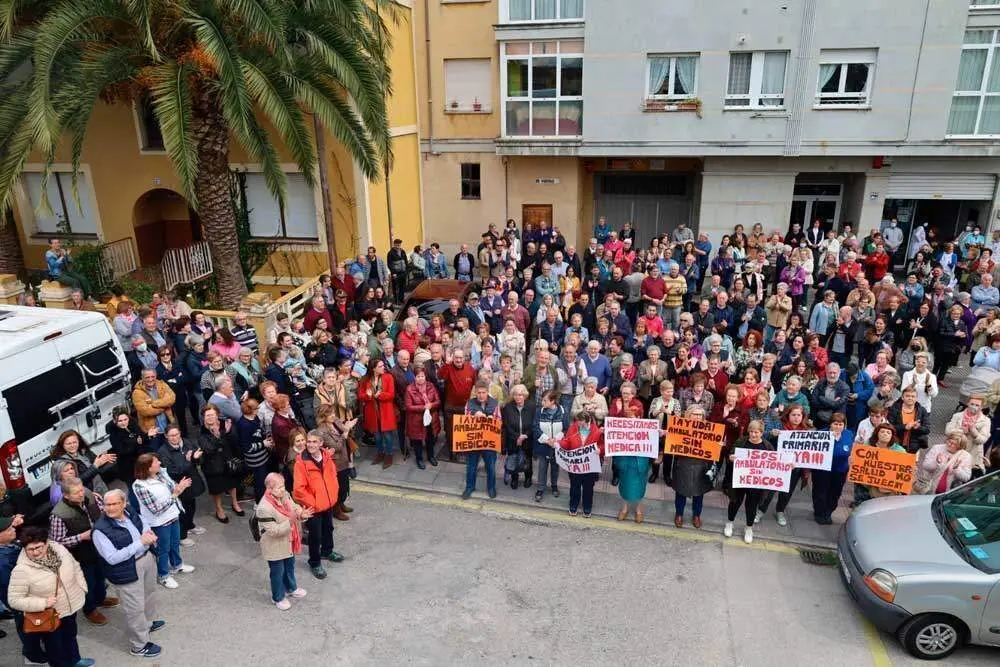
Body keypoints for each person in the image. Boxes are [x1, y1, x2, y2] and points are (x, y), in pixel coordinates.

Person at [8, 524, 95, 667]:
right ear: (24, 548)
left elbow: (75, 566)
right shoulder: (21, 570)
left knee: (71, 637)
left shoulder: (59, 549)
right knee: (55, 648)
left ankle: (75, 660)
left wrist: (82, 587)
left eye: (39, 547)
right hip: (49, 614)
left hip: (70, 606)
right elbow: (14, 600)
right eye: (31, 549)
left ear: (46, 543)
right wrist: (43, 603)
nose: (36, 552)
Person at [48, 478, 118, 626]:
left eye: (81, 489)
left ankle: (101, 598)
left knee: (100, 576)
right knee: (87, 583)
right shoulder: (59, 514)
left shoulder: (88, 496)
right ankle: (90, 609)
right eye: (76, 492)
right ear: (66, 495)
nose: (81, 494)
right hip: (80, 555)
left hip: (98, 548)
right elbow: (57, 541)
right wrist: (81, 537)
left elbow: (100, 510)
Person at [132, 453, 195, 589]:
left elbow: (173, 488)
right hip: (159, 522)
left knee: (175, 543)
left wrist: (180, 487)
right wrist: (175, 494)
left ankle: (177, 564)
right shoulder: (139, 486)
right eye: (156, 462)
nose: (160, 463)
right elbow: (156, 509)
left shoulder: (160, 475)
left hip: (173, 515)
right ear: (148, 468)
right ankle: (163, 575)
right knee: (163, 549)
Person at [293, 431, 344, 579]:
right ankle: (314, 562)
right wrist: (314, 503)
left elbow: (333, 475)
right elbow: (298, 490)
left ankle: (327, 551)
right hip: (313, 506)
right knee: (315, 536)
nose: (310, 445)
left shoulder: (326, 456)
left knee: (328, 528)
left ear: (321, 443)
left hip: (327, 502)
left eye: (314, 442)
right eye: (309, 442)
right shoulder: (301, 462)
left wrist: (332, 495)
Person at [255, 472, 310, 609]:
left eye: (283, 486)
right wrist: (291, 521)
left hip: (288, 540)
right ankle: (278, 597)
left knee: (289, 567)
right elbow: (273, 531)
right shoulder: (264, 508)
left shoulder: (283, 495)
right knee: (277, 572)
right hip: (274, 545)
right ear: (269, 488)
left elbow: (293, 506)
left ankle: (291, 588)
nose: (283, 489)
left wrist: (300, 513)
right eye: (279, 487)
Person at [756, 404, 811, 526]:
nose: (796, 418)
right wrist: (772, 434)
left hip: (795, 468)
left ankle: (780, 511)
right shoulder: (780, 426)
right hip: (778, 465)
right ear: (788, 415)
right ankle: (760, 510)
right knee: (770, 490)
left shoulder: (806, 432)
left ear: (802, 417)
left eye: (799, 415)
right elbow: (765, 438)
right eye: (793, 415)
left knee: (787, 492)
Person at [723, 419, 771, 544]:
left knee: (751, 506)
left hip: (756, 483)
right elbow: (730, 455)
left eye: (757, 432)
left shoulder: (767, 446)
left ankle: (749, 528)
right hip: (739, 480)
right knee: (734, 502)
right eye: (751, 432)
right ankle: (730, 523)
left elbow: (774, 464)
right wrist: (731, 457)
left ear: (762, 433)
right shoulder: (741, 442)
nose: (754, 435)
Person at [157, 425, 206, 546]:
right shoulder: (163, 452)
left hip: (191, 480)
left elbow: (198, 458)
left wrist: (195, 458)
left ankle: (190, 525)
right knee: (182, 510)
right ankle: (182, 536)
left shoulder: (187, 443)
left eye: (177, 434)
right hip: (178, 485)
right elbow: (172, 471)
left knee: (191, 506)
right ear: (166, 436)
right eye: (171, 436)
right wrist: (188, 461)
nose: (175, 438)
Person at [610, 382, 650, 522]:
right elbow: (612, 419)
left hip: (636, 445)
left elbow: (636, 418)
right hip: (622, 446)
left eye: (628, 393)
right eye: (623, 393)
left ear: (633, 394)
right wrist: (620, 410)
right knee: (624, 478)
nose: (625, 396)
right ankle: (625, 508)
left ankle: (639, 509)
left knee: (639, 478)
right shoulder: (616, 402)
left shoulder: (638, 404)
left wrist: (624, 411)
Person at [198, 403, 244, 523]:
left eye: (212, 415)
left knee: (232, 484)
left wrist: (228, 433)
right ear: (203, 417)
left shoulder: (226, 424)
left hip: (228, 460)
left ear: (217, 415)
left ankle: (235, 503)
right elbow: (209, 449)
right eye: (207, 415)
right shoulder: (202, 431)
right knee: (216, 489)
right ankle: (219, 509)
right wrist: (221, 436)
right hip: (212, 465)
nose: (210, 418)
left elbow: (234, 440)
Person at [673, 405, 714, 528]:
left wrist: (718, 445)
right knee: (680, 492)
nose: (697, 417)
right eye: (695, 414)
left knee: (698, 493)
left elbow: (713, 450)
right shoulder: (680, 427)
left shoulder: (709, 430)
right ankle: (679, 514)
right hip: (683, 464)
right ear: (688, 415)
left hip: (700, 466)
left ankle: (697, 515)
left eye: (700, 415)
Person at [557, 411, 603, 517]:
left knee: (588, 487)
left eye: (581, 421)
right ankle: (573, 504)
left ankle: (587, 506)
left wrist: (600, 450)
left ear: (588, 421)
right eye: (577, 421)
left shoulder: (596, 431)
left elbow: (602, 445)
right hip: (576, 465)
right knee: (574, 486)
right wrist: (558, 444)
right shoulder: (573, 428)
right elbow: (567, 442)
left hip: (590, 465)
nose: (578, 424)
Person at [811, 412, 854, 525]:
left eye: (841, 424)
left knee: (835, 493)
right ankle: (819, 513)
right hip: (822, 470)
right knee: (820, 492)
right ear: (830, 424)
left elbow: (852, 449)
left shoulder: (849, 434)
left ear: (844, 425)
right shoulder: (821, 434)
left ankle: (828, 512)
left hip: (840, 470)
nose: (838, 427)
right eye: (835, 424)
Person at [461, 382, 502, 499]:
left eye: (483, 392)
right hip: (474, 441)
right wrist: (474, 416)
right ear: (475, 392)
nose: (481, 395)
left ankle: (491, 488)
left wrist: (492, 419)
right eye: (478, 393)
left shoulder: (494, 403)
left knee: (491, 467)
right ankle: (469, 487)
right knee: (471, 466)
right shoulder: (469, 403)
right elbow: (464, 421)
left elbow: (500, 421)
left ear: (487, 392)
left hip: (489, 442)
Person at [359, 358, 399, 469]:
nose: (383, 368)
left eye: (383, 365)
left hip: (386, 411)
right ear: (373, 369)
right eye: (380, 366)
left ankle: (389, 455)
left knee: (388, 436)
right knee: (377, 436)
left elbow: (391, 394)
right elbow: (360, 396)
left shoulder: (388, 377)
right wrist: (368, 395)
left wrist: (379, 395)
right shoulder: (365, 379)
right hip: (372, 412)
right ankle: (380, 453)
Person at [50, 429, 112, 497]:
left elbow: (98, 466)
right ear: (63, 445)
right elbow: (76, 481)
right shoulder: (63, 462)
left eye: (75, 442)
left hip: (101, 487)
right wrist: (95, 466)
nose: (72, 445)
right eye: (69, 444)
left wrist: (103, 459)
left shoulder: (84, 451)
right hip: (87, 493)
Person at [944, 395, 990, 477]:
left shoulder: (986, 421)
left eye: (977, 405)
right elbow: (948, 431)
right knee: (949, 476)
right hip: (955, 451)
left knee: (966, 479)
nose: (974, 407)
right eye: (972, 404)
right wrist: (961, 431)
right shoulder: (957, 416)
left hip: (973, 455)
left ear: (981, 407)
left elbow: (983, 440)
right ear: (968, 403)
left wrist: (973, 431)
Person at [501, 384, 535, 490]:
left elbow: (534, 423)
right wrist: (517, 437)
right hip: (512, 439)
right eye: (515, 395)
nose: (518, 397)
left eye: (520, 395)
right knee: (513, 459)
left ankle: (528, 478)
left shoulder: (532, 406)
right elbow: (506, 425)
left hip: (527, 438)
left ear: (524, 395)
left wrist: (525, 435)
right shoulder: (508, 407)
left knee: (527, 459)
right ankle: (514, 478)